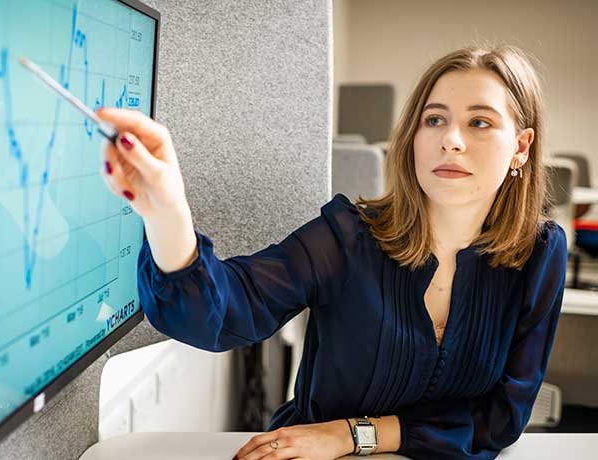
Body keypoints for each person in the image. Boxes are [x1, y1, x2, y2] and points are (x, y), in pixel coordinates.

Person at [95, 45, 567, 460]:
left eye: (479, 122)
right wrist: (168, 215)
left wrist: (353, 435)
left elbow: (503, 417)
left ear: (521, 147)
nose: (451, 139)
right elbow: (223, 313)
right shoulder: (348, 237)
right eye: (435, 118)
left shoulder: (540, 253)